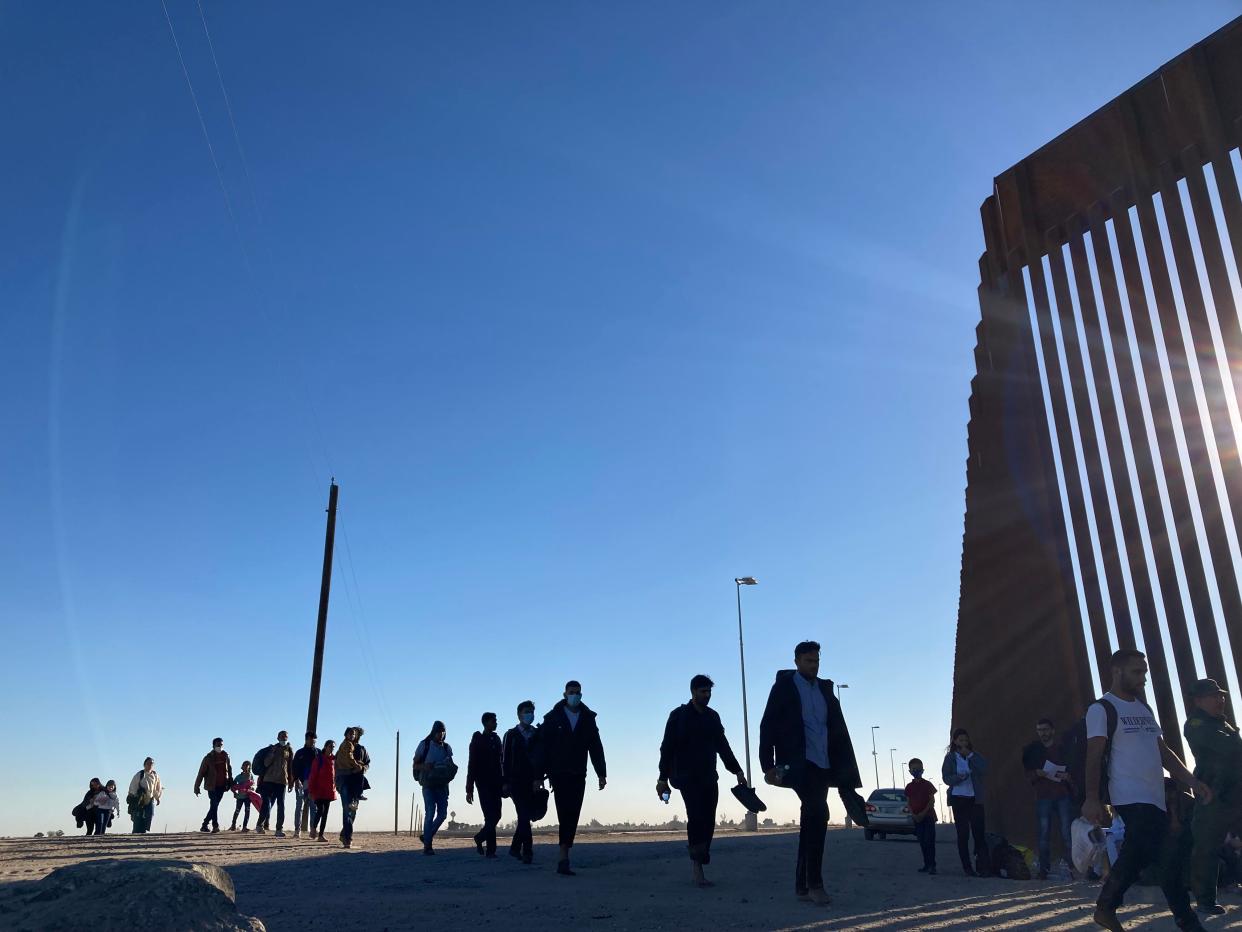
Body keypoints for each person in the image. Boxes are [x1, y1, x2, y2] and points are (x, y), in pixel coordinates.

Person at [1084, 649, 1211, 932]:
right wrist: (1092, 798)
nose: (1143, 678)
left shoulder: (1143, 708)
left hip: (1155, 795)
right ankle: (1187, 923)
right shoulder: (1101, 709)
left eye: (1145, 672)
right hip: (1128, 794)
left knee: (1157, 855)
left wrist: (1191, 781)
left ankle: (1106, 907)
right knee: (1155, 852)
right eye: (1137, 672)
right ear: (1117, 672)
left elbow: (1163, 752)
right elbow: (1093, 755)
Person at [758, 640, 864, 906]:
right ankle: (815, 884)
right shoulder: (784, 687)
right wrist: (767, 765)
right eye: (808, 661)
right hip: (798, 763)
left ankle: (802, 885)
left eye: (816, 661)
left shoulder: (825, 690)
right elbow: (767, 723)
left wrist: (845, 773)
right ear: (796, 661)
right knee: (819, 812)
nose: (813, 666)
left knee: (811, 819)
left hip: (823, 763)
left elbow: (838, 730)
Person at [656, 674, 747, 888]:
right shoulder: (678, 717)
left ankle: (700, 854)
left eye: (709, 692)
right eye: (703, 692)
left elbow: (723, 746)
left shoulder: (712, 718)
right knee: (696, 817)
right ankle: (697, 866)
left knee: (708, 820)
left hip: (708, 776)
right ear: (693, 692)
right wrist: (662, 778)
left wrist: (737, 771)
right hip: (686, 777)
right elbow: (666, 748)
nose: (707, 695)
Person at [533, 680, 607, 876]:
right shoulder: (553, 717)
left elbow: (596, 747)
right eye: (571, 692)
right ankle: (563, 855)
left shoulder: (588, 718)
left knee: (574, 811)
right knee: (563, 810)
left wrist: (601, 773)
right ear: (565, 694)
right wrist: (538, 775)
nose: (575, 695)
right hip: (558, 772)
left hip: (578, 772)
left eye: (578, 692)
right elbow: (543, 748)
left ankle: (565, 849)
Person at [1184, 678, 1242, 916]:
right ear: (1198, 701)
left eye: (1221, 695)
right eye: (1213, 696)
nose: (1220, 700)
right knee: (1207, 848)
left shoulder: (1223, 724)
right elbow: (1229, 748)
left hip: (1236, 792)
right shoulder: (1196, 724)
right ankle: (1206, 900)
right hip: (1214, 795)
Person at [1022, 718, 1074, 879]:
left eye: (1045, 729)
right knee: (1044, 834)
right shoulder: (1033, 750)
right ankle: (1044, 869)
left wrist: (1068, 776)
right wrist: (1036, 773)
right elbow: (1027, 772)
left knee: (1067, 833)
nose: (1042, 733)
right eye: (1039, 730)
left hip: (1062, 794)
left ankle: (1072, 868)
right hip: (1043, 795)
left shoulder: (1062, 749)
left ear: (1052, 730)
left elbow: (1072, 768)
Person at [941, 728, 989, 877]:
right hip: (958, 799)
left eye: (965, 740)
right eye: (960, 740)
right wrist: (958, 778)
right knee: (963, 834)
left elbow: (984, 769)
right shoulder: (950, 758)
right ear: (955, 742)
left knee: (979, 833)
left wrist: (970, 755)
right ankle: (967, 867)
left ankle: (983, 866)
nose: (963, 743)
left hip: (975, 799)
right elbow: (946, 778)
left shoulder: (974, 756)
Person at [502, 700, 539, 864]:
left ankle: (515, 848)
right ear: (519, 715)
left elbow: (541, 757)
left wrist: (540, 777)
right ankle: (528, 851)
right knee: (524, 815)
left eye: (531, 711)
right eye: (526, 711)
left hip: (532, 781)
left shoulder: (537, 733)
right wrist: (505, 781)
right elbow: (504, 760)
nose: (529, 714)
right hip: (515, 781)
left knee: (526, 816)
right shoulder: (511, 735)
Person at [413, 721, 456, 855]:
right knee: (430, 812)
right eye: (438, 731)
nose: (441, 734)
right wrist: (426, 766)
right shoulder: (424, 745)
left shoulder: (447, 748)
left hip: (442, 785)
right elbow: (415, 765)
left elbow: (451, 764)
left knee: (442, 814)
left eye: (443, 732)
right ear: (433, 732)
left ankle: (427, 836)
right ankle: (428, 846)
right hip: (428, 784)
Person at [467, 712, 504, 859]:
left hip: (497, 783)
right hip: (482, 784)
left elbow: (502, 762)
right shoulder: (477, 740)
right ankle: (491, 850)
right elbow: (472, 765)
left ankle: (480, 838)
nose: (496, 723)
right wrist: (469, 788)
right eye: (493, 721)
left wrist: (504, 781)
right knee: (490, 815)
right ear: (486, 722)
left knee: (497, 815)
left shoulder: (496, 739)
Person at [255, 730, 294, 837]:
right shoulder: (272, 749)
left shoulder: (289, 750)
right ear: (277, 738)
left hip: (282, 781)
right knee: (267, 804)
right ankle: (259, 824)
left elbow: (290, 767)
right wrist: (272, 753)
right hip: (269, 780)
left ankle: (279, 829)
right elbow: (266, 763)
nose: (283, 739)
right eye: (281, 737)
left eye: (285, 737)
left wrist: (291, 781)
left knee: (281, 805)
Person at [194, 737, 233, 834]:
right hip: (211, 785)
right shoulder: (208, 758)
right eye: (218, 745)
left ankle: (204, 824)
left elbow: (230, 770)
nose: (220, 747)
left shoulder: (226, 756)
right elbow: (201, 773)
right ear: (213, 746)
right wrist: (196, 786)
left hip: (222, 785)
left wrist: (230, 782)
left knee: (214, 806)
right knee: (214, 804)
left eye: (221, 745)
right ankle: (215, 825)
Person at [905, 758, 937, 875]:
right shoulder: (909, 787)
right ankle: (926, 864)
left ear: (923, 769)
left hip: (928, 817)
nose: (916, 771)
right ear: (910, 771)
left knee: (929, 841)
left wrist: (923, 813)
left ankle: (932, 865)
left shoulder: (928, 784)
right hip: (916, 818)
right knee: (922, 841)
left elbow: (932, 801)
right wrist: (914, 815)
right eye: (914, 769)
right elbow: (908, 802)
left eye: (918, 768)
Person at [336, 727, 364, 848]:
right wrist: (356, 765)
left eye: (355, 734)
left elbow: (366, 764)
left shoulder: (361, 749)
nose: (353, 736)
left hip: (355, 782)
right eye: (351, 733)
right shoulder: (346, 745)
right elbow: (345, 759)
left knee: (352, 810)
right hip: (345, 779)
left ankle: (345, 834)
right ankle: (348, 838)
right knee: (347, 809)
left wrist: (361, 767)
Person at [307, 739, 337, 842]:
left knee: (325, 813)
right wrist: (311, 790)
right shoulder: (319, 759)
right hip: (319, 790)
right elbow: (313, 775)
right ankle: (313, 828)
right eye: (330, 746)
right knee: (320, 810)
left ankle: (321, 835)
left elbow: (335, 775)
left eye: (333, 747)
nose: (332, 748)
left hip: (329, 790)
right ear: (326, 746)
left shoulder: (334, 760)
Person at [292, 732, 319, 839]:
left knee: (314, 807)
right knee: (299, 807)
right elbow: (294, 767)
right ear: (306, 740)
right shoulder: (300, 752)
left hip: (314, 784)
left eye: (314, 741)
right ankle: (297, 831)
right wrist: (296, 780)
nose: (312, 742)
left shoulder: (318, 753)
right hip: (301, 782)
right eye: (311, 740)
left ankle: (313, 830)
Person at [127, 757, 162, 834]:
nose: (150, 765)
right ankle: (136, 833)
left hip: (150, 799)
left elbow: (157, 788)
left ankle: (143, 831)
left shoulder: (155, 775)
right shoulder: (140, 774)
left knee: (149, 815)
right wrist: (132, 798)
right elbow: (133, 787)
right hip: (139, 799)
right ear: (144, 764)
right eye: (148, 763)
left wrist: (158, 798)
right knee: (138, 817)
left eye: (152, 764)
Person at [230, 761, 258, 831]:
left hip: (248, 797)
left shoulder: (251, 776)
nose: (246, 767)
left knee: (247, 811)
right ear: (242, 767)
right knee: (237, 810)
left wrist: (252, 788)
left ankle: (244, 827)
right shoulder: (238, 777)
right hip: (240, 797)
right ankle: (233, 825)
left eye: (247, 766)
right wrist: (234, 793)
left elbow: (253, 785)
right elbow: (232, 786)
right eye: (244, 766)